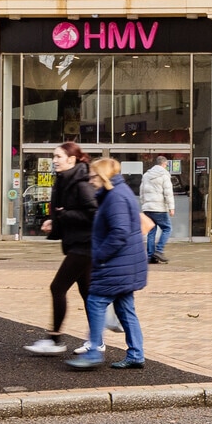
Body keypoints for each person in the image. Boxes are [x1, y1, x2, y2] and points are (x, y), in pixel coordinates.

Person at [68, 156, 153, 370]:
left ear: (104, 175)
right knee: (125, 308)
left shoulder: (114, 197)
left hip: (117, 265)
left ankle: (94, 352)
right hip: (128, 264)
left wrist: (100, 255)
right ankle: (136, 354)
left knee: (95, 302)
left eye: (94, 176)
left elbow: (120, 231)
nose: (91, 180)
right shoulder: (117, 193)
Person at [26, 142, 95, 356]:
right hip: (78, 244)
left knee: (57, 287)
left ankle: (54, 339)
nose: (54, 160)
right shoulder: (65, 181)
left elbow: (94, 213)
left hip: (85, 246)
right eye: (54, 156)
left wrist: (64, 215)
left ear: (72, 159)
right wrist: (54, 223)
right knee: (89, 294)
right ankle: (96, 339)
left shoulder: (80, 183)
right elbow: (67, 212)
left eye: (59, 156)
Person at [138, 155, 175, 265]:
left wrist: (144, 204)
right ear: (164, 164)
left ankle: (150, 256)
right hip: (159, 208)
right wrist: (171, 207)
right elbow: (168, 193)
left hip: (148, 208)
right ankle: (159, 251)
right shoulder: (164, 175)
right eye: (166, 165)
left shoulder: (146, 175)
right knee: (167, 228)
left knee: (151, 231)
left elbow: (141, 191)